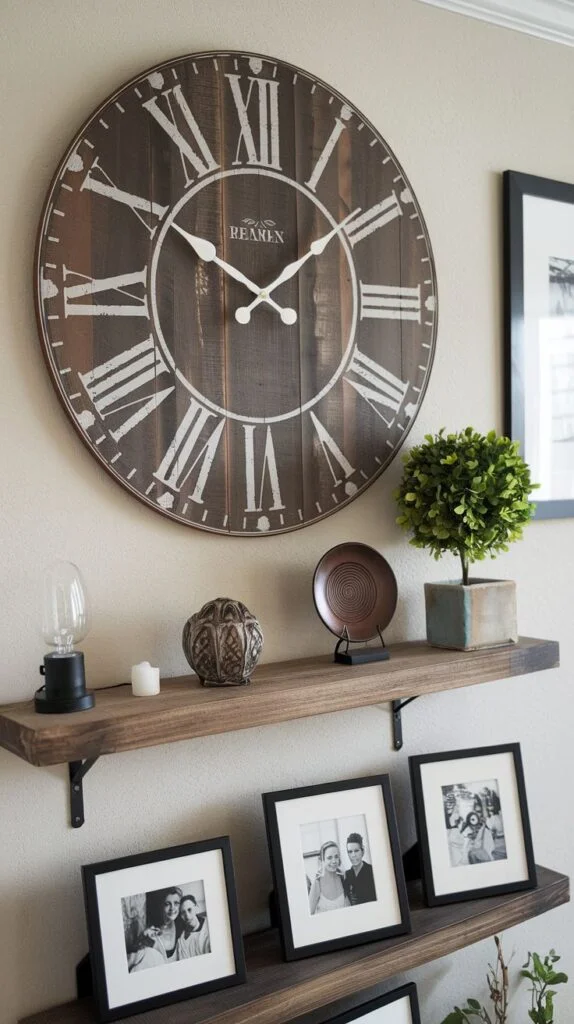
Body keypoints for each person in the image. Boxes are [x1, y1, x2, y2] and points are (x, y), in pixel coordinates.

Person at [128, 887, 182, 972]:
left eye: (176, 903)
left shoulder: (180, 923)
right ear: (161, 905)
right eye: (167, 904)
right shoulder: (151, 930)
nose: (172, 908)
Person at [308, 841, 350, 914]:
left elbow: (349, 909)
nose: (334, 861)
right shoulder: (317, 883)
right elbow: (309, 913)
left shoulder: (343, 879)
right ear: (323, 860)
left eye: (336, 857)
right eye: (329, 858)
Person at [343, 833, 377, 905]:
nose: (353, 855)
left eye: (356, 851)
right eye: (350, 852)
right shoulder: (347, 874)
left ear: (362, 851)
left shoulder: (372, 871)